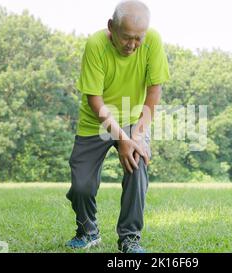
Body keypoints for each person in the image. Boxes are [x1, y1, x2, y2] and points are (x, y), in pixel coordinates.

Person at [65, 0, 170, 253]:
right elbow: (94, 100)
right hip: (96, 121)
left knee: (138, 165)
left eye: (138, 38)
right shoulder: (96, 45)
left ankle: (129, 238)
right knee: (82, 186)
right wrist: (120, 138)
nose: (132, 45)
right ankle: (88, 232)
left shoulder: (153, 41)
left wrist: (136, 136)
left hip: (134, 118)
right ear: (111, 27)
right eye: (126, 38)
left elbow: (154, 91)